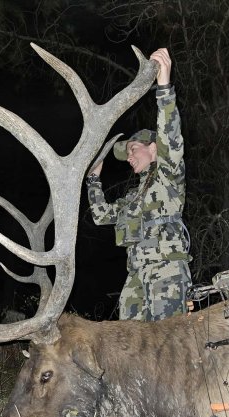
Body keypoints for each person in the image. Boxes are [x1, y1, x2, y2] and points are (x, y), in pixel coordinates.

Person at [85, 48, 192, 321]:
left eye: (133, 149)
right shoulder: (132, 198)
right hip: (136, 277)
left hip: (166, 272)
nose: (129, 157)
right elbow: (100, 216)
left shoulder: (168, 177)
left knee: (167, 350)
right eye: (127, 153)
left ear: (153, 149)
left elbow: (171, 136)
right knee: (128, 348)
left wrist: (164, 87)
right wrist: (94, 178)